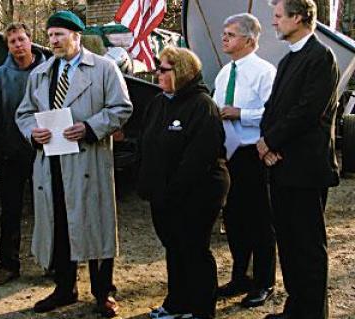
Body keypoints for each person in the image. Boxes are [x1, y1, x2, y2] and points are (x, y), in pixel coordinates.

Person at [15, 11, 132, 318]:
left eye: (60, 35)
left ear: (76, 36)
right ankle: (64, 288)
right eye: (51, 35)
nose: (53, 40)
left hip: (88, 160)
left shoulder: (104, 69)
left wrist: (90, 128)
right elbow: (24, 113)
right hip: (51, 161)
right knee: (60, 225)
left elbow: (122, 107)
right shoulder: (41, 73)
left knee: (95, 224)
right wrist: (32, 133)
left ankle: (103, 292)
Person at [257, 0, 340, 318]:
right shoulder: (289, 58)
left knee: (308, 246)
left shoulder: (321, 57)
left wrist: (271, 142)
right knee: (289, 244)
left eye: (279, 16)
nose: (274, 23)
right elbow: (273, 107)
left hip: (306, 169)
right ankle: (296, 308)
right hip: (280, 166)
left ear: (300, 18)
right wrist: (264, 142)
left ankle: (312, 313)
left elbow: (307, 112)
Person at [138, 47, 230, 319]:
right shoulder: (158, 103)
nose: (157, 73)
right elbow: (146, 143)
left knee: (193, 249)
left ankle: (201, 309)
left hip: (196, 193)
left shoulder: (202, 106)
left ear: (181, 72)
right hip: (164, 194)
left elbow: (199, 157)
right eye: (158, 67)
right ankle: (177, 302)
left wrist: (172, 190)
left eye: (163, 69)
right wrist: (148, 183)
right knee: (174, 248)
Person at [214, 13, 277, 307]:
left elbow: (274, 112)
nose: (224, 38)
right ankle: (240, 276)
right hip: (228, 155)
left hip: (254, 154)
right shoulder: (225, 73)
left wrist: (242, 114)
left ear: (250, 40)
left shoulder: (265, 72)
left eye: (231, 34)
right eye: (224, 33)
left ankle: (264, 282)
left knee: (260, 221)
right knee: (234, 219)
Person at [0, 22, 45, 286]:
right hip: (11, 155)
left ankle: (55, 263)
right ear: (8, 46)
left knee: (49, 210)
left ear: (31, 40)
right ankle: (8, 265)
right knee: (10, 212)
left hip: (45, 153)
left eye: (22, 39)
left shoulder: (49, 71)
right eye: (13, 42)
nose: (18, 45)